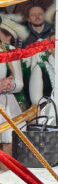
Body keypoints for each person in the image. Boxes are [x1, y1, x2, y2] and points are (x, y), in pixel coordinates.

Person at [0, 15, 27, 147]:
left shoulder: (10, 51)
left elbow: (19, 84)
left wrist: (9, 85)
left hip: (7, 107)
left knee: (9, 148)